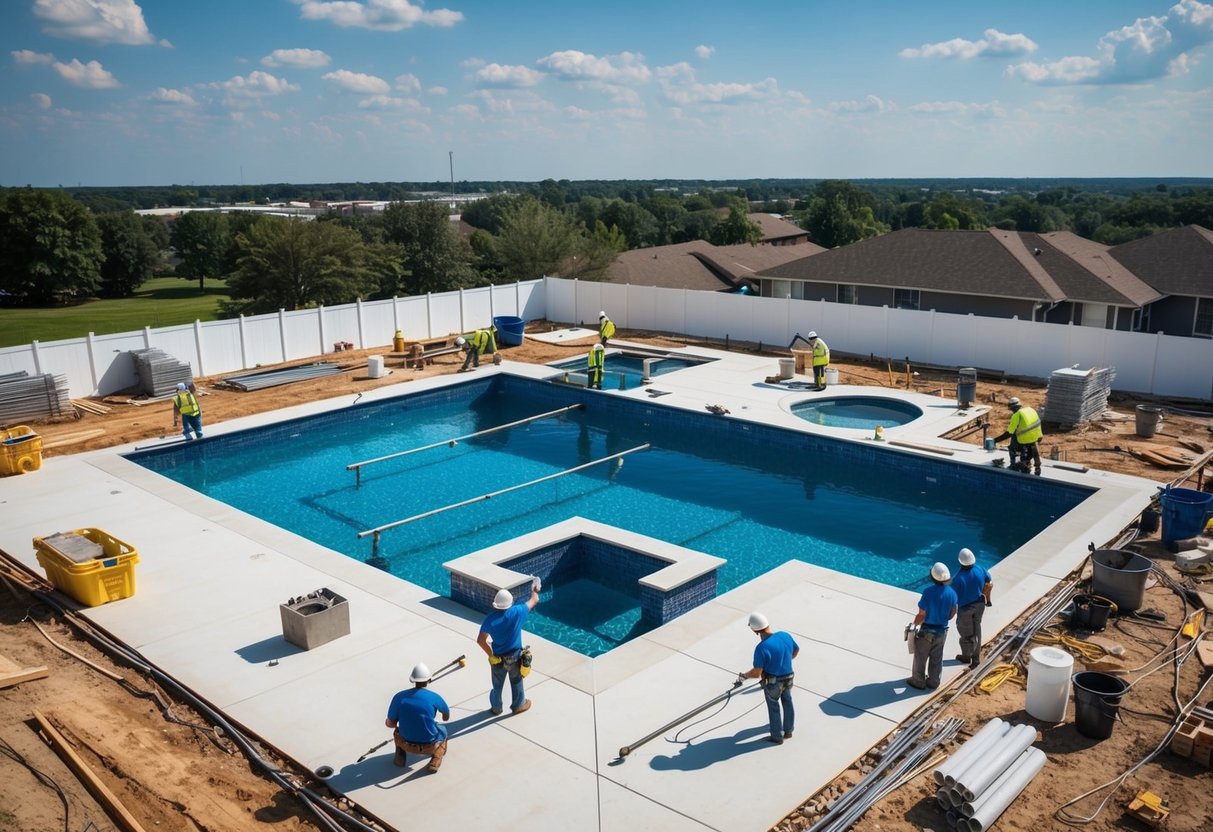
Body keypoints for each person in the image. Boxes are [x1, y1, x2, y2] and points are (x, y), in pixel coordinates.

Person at [477, 578, 540, 715]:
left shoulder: (490, 620)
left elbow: (481, 641)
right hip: (515, 656)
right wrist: (534, 589)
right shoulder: (518, 612)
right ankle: (519, 705)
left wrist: (491, 655)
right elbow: (534, 600)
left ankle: (496, 708)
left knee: (497, 684)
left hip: (498, 658)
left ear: (496, 605)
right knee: (516, 680)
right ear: (510, 603)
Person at [738, 612, 799, 744]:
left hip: (774, 683)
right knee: (787, 701)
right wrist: (784, 661)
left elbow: (756, 672)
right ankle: (788, 731)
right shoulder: (785, 635)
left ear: (755, 631)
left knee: (773, 707)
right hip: (789, 678)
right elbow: (796, 650)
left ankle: (777, 737)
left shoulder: (761, 648)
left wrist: (745, 675)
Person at [385, 662, 450, 772]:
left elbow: (390, 724)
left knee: (397, 731)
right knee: (443, 730)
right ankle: (435, 760)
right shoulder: (435, 697)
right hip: (429, 745)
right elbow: (446, 717)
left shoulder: (399, 697)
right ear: (428, 680)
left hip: (406, 743)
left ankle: (400, 757)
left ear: (412, 680)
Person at [907, 562, 958, 690]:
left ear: (932, 576)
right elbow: (952, 613)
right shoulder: (952, 593)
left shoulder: (928, 592)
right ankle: (934, 681)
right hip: (942, 631)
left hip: (926, 631)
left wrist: (914, 625)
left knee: (920, 657)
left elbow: (921, 614)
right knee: (937, 657)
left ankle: (918, 681)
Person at [952, 547, 993, 668]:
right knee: (977, 630)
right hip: (980, 604)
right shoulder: (980, 569)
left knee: (966, 634)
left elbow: (953, 598)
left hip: (965, 609)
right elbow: (988, 580)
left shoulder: (958, 578)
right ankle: (976, 659)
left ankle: (966, 657)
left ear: (960, 562)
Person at [993, 396, 1043, 475]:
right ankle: (1036, 466)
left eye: (1012, 409)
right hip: (1036, 436)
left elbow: (1009, 433)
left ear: (1013, 408)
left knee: (1013, 445)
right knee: (1032, 449)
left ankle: (1015, 465)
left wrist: (995, 440)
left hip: (1025, 439)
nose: (1012, 411)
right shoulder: (1031, 410)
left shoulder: (1017, 415)